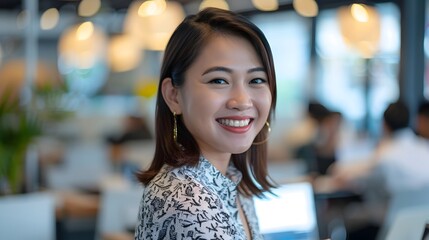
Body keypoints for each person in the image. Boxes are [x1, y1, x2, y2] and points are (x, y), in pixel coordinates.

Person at [134, 7, 277, 240]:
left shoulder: (231, 179)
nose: (242, 101)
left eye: (256, 80)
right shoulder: (184, 201)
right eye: (219, 80)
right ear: (174, 96)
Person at [331, 101, 429, 239]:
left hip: (386, 227)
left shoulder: (386, 156)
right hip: (419, 229)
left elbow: (345, 175)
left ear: (384, 125)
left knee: (342, 215)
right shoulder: (425, 148)